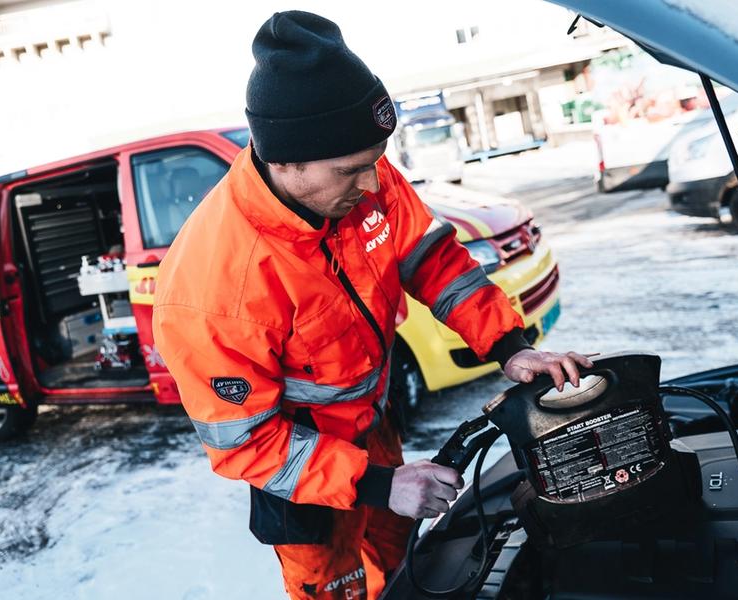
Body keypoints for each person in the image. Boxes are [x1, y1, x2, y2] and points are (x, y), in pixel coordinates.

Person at [152, 10, 593, 600]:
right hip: (304, 471)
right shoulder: (214, 288)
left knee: (412, 574)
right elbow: (246, 444)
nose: (372, 184)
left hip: (377, 434)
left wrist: (510, 350)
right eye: (352, 171)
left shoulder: (362, 175)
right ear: (285, 161)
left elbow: (434, 263)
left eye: (376, 161)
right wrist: (379, 485)